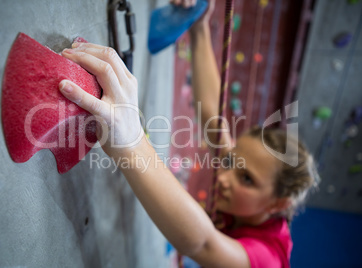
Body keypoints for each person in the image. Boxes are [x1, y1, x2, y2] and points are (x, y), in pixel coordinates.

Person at [57, 0, 319, 266]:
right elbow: (214, 124)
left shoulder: (267, 258)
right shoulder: (251, 202)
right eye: (230, 162)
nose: (224, 178)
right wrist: (200, 24)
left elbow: (204, 244)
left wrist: (131, 141)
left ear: (277, 204)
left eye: (247, 179)